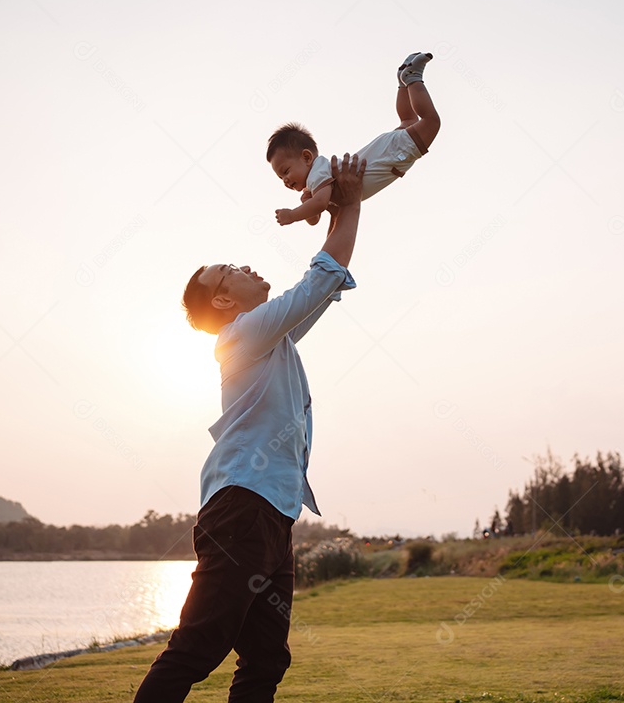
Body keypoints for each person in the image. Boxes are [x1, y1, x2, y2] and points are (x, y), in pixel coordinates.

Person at [131, 153, 367, 703]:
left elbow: (322, 287)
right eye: (230, 269)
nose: (245, 266)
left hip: (271, 515)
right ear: (222, 299)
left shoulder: (268, 337)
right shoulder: (240, 335)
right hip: (242, 508)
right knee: (199, 647)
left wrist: (339, 206)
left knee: (265, 659)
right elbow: (319, 280)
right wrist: (350, 205)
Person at [267, 52, 439, 226]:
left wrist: (292, 215)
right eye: (281, 177)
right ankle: (403, 82)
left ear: (306, 157)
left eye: (286, 171)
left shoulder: (316, 174)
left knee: (431, 122)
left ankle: (412, 78)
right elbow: (314, 219)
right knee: (408, 121)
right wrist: (306, 202)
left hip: (391, 155)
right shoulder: (315, 181)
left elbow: (320, 204)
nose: (285, 180)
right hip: (385, 150)